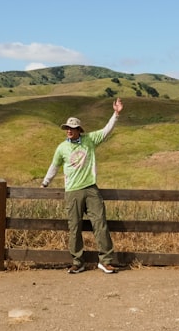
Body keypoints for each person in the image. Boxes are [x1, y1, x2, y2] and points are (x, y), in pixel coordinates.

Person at [41, 97, 123, 274]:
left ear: (79, 130)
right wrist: (45, 182)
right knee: (75, 227)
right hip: (72, 191)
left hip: (91, 187)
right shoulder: (61, 148)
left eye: (72, 128)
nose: (69, 131)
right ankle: (77, 262)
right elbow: (54, 166)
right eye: (67, 128)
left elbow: (106, 131)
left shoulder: (89, 140)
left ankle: (106, 261)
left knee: (100, 223)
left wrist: (116, 114)